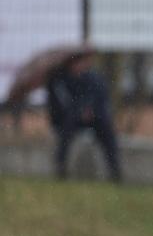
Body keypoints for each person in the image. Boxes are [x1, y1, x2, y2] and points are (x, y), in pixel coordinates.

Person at [46, 52, 121, 182]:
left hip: (93, 118)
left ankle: (114, 170)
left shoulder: (93, 79)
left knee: (107, 130)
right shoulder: (59, 80)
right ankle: (61, 167)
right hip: (68, 120)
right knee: (66, 132)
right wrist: (79, 111)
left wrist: (91, 111)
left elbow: (101, 99)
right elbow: (61, 105)